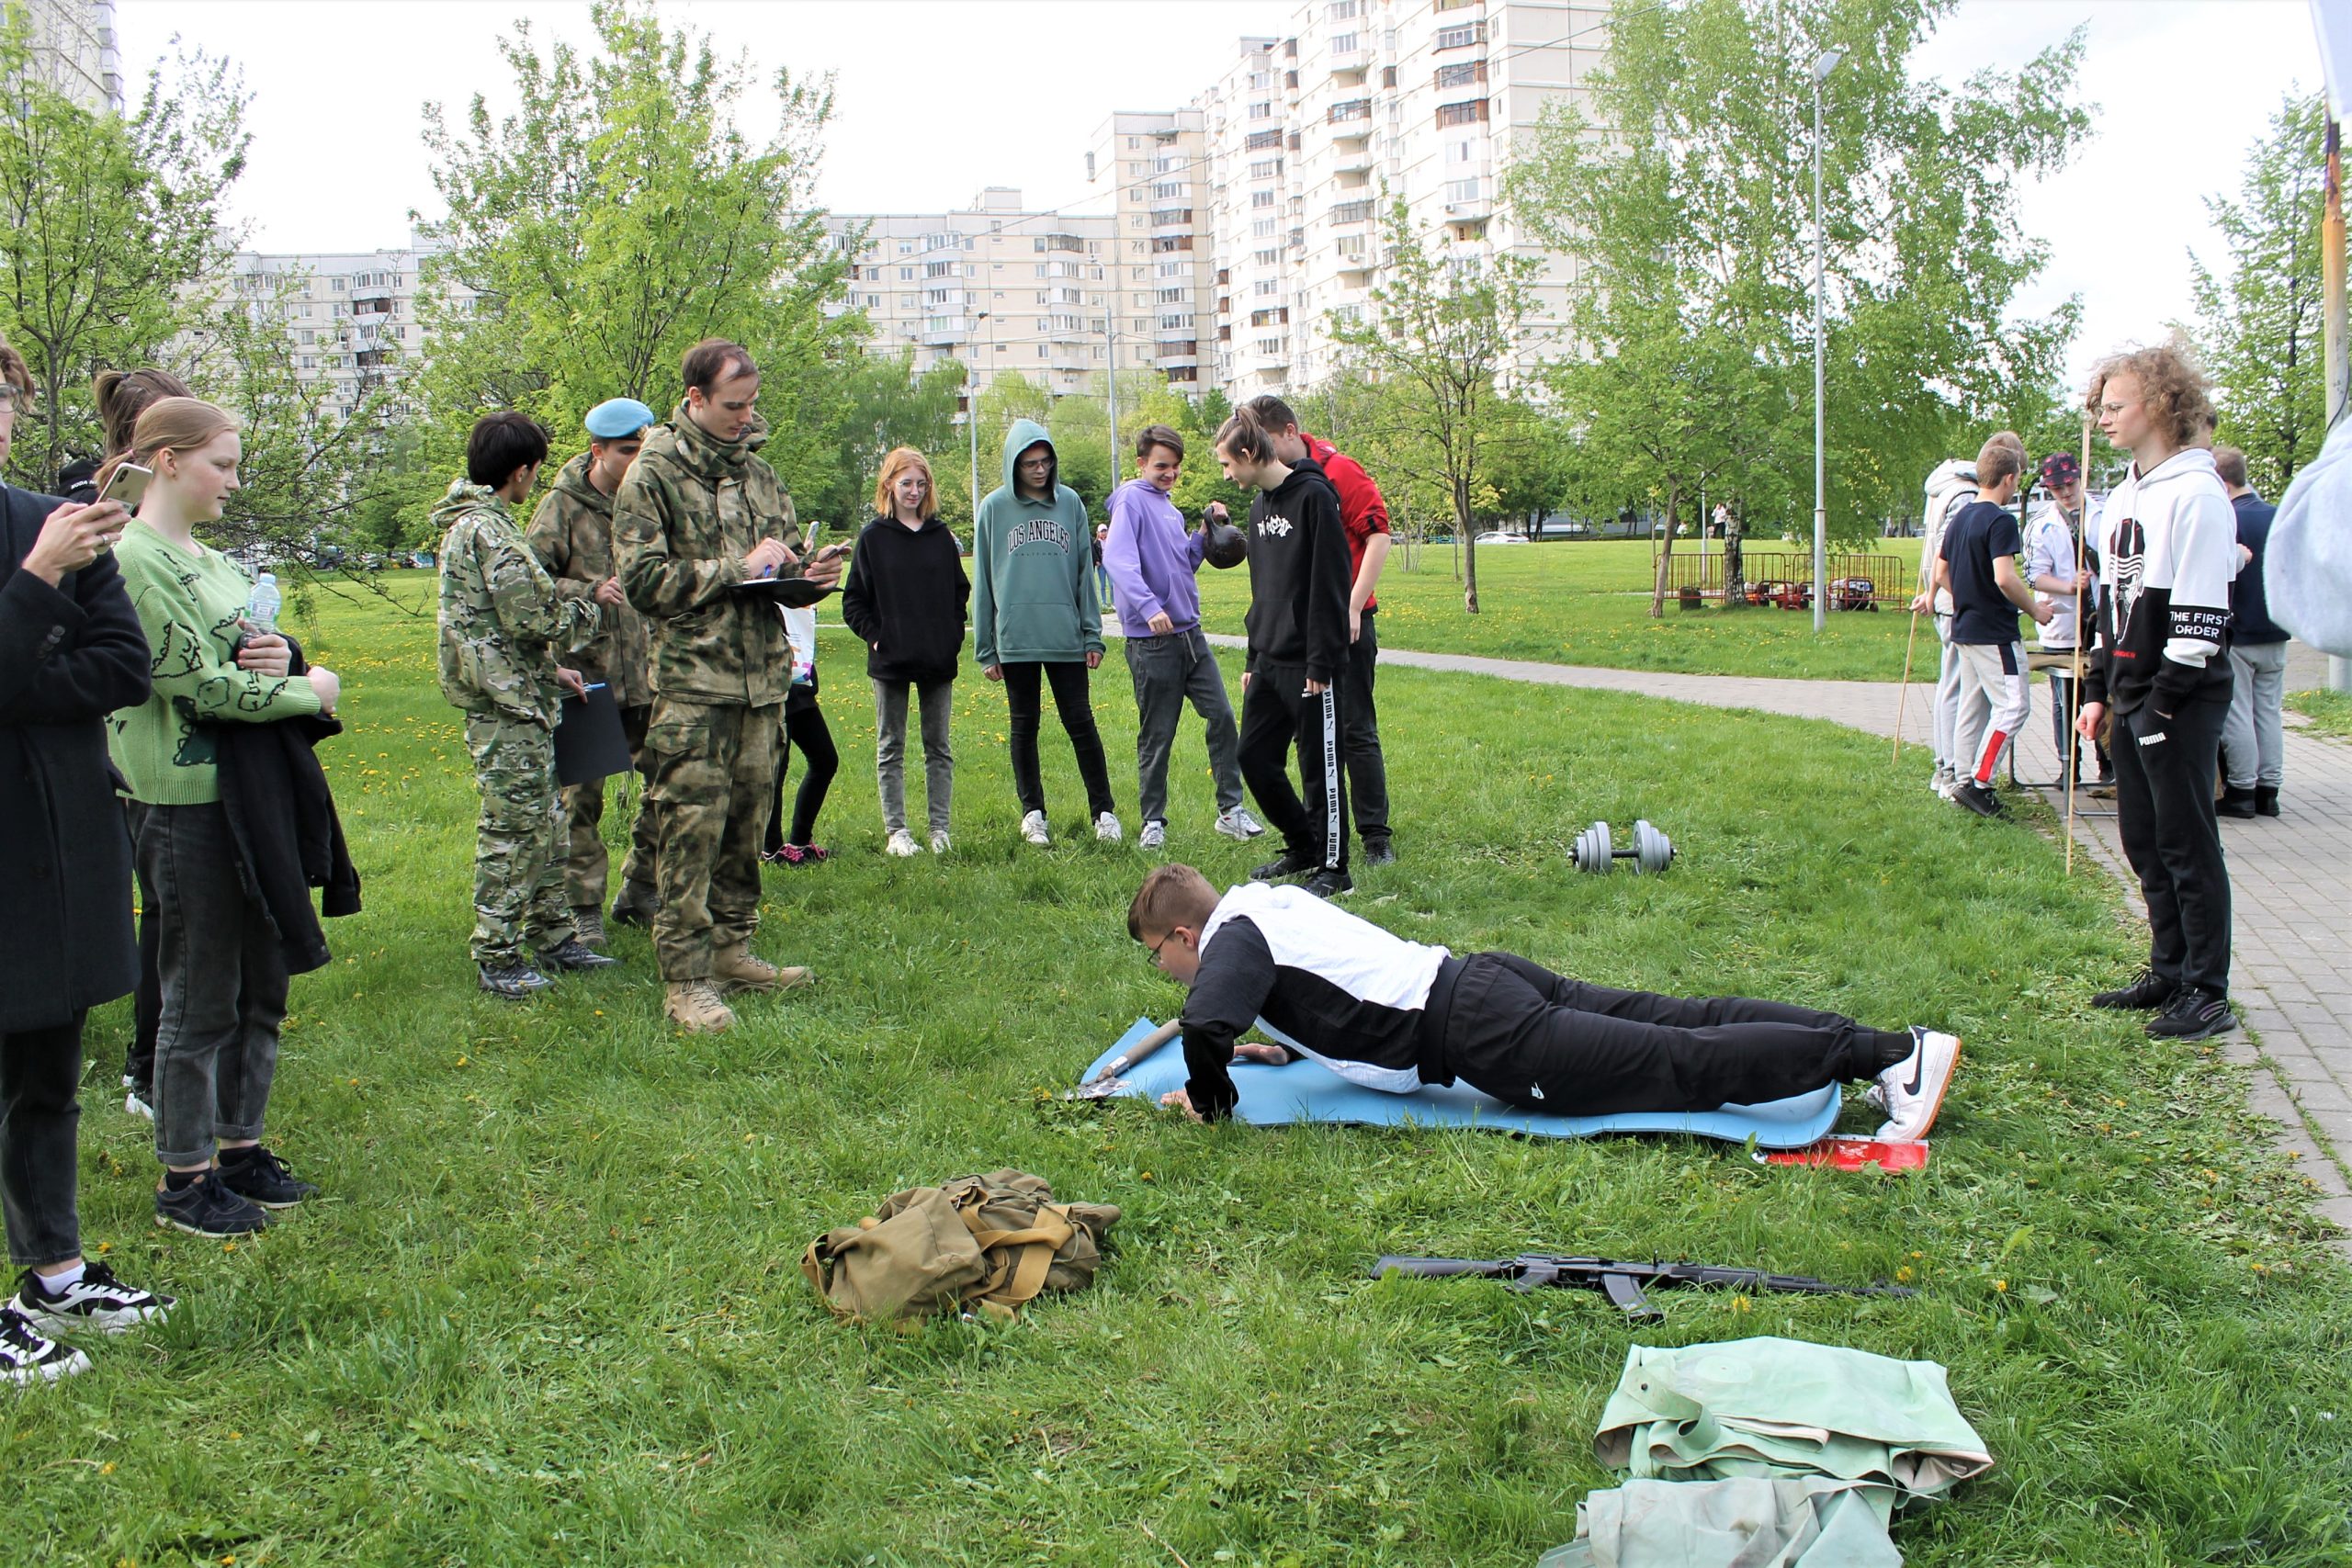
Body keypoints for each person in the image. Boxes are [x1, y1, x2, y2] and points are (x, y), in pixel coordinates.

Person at [1126, 864, 1962, 1142]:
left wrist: (1210, 1097)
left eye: (1158, 953)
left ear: (1182, 934)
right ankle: (1885, 1043)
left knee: (1677, 1064)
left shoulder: (1231, 942)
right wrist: (1269, 1047)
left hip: (1485, 1030)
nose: (1165, 970)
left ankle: (1888, 1058)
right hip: (1487, 977)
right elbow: (1322, 992)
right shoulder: (1262, 903)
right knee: (1680, 1017)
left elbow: (1206, 1020)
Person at [108, 398, 338, 1236]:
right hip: (184, 807)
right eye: (223, 465)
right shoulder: (137, 559)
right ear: (167, 460)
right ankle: (185, 1177)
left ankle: (240, 1148)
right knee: (199, 996)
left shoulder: (211, 559)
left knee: (260, 987)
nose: (234, 483)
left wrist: (282, 657)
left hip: (250, 796)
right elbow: (196, 687)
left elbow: (245, 648)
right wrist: (306, 691)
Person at [0, 342, 175, 1381]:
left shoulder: (48, 519)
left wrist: (24, 661)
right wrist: (36, 589)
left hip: (56, 833)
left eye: (4, 399)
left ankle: (55, 1272)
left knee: (48, 1069)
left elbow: (120, 667)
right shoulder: (48, 546)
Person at [614, 339, 839, 1033]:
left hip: (762, 684)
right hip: (692, 686)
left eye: (752, 404)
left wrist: (807, 573)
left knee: (746, 828)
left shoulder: (760, 474)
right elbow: (644, 583)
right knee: (690, 833)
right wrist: (735, 568)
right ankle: (685, 981)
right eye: (733, 405)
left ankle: (732, 949)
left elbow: (777, 559)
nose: (746, 417)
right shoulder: (651, 474)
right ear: (696, 400)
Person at [2076, 346, 2240, 1042]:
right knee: (2144, 841)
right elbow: (2110, 602)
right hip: (2132, 691)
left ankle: (2207, 989)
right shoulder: (2128, 494)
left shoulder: (2197, 494)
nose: (2104, 417)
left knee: (2186, 843)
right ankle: (2168, 968)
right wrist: (2097, 687)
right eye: (2101, 405)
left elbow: (2201, 618)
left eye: (2116, 404)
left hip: (2178, 697)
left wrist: (2161, 705)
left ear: (2160, 404)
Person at [438, 411, 616, 998]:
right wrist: (593, 606)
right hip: (504, 708)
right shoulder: (489, 531)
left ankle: (555, 936)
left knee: (548, 825)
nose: (535, 481)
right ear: (521, 470)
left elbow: (493, 626)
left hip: (522, 694)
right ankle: (498, 954)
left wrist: (549, 670)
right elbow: (531, 616)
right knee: (513, 832)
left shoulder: (478, 526)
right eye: (535, 470)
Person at [81, 368, 193, 1121]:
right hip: (120, 739)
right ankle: (148, 1064)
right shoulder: (87, 510)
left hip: (152, 734)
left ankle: (159, 1052)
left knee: (164, 905)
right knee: (156, 905)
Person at [526, 397, 661, 945]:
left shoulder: (650, 501)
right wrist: (585, 590)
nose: (636, 461)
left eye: (642, 451)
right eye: (627, 451)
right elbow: (526, 583)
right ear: (597, 450)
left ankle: (642, 888)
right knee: (580, 798)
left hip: (650, 675)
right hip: (587, 676)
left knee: (669, 786)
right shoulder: (562, 507)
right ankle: (582, 907)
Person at [1244, 395, 1395, 863]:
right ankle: (1313, 840)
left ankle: (1375, 836)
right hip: (1297, 637)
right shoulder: (1271, 497)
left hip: (1347, 621)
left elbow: (1379, 534)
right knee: (1308, 741)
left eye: (1263, 440)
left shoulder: (1337, 471)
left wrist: (1351, 606)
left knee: (1354, 730)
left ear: (1289, 431)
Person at [1215, 408, 1353, 899]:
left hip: (1310, 664)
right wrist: (1254, 659)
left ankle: (1334, 867)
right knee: (1253, 757)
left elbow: (1330, 584)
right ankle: (1303, 845)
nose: (1227, 476)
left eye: (1229, 465)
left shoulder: (1315, 496)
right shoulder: (1258, 510)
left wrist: (1321, 661)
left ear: (1250, 455)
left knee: (1319, 767)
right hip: (1269, 660)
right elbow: (1263, 590)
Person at [1103, 423, 1261, 852]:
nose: (1169, 473)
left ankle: (1230, 811)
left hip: (1191, 636)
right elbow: (1116, 559)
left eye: (1175, 467)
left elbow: (1183, 564)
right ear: (1141, 463)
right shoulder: (1132, 501)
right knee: (1158, 735)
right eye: (1160, 465)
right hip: (1152, 641)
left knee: (1223, 716)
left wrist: (1207, 531)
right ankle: (1153, 821)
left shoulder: (1169, 510)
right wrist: (1148, 607)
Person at [971, 419, 1121, 846]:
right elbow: (983, 580)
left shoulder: (1070, 504)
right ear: (1013, 465)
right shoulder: (994, 509)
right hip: (1015, 638)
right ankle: (1033, 814)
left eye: (1045, 461)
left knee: (1081, 722)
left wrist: (1092, 634)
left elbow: (1083, 576)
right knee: (1024, 726)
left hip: (1065, 637)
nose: (1039, 470)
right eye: (1029, 463)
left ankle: (1104, 812)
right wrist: (986, 648)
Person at [839, 446, 967, 856]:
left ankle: (940, 830)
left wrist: (951, 635)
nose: (913, 491)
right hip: (890, 661)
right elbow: (853, 600)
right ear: (889, 485)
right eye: (906, 482)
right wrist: (877, 636)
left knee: (938, 747)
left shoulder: (940, 537)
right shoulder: (874, 538)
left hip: (936, 658)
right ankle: (897, 831)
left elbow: (958, 592)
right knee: (890, 746)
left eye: (920, 483)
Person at [1936, 437, 2053, 818]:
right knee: (2014, 706)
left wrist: (1970, 595)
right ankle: (1981, 783)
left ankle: (1962, 777)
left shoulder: (1960, 518)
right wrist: (2034, 609)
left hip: (1965, 625)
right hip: (1994, 631)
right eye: (2018, 479)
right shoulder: (2001, 520)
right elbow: (2005, 578)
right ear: (2008, 478)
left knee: (1973, 706)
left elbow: (1940, 573)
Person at [2024, 452, 2109, 790]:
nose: (2065, 492)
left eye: (2069, 483)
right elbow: (2035, 575)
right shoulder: (2042, 524)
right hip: (2063, 626)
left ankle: (2109, 763)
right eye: (2057, 487)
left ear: (2080, 478)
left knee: (2105, 694)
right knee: (2065, 700)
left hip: (2103, 622)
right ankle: (2068, 766)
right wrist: (2069, 586)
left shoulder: (2105, 514)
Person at [2213, 445, 2286, 819]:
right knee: (2269, 712)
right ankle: (2268, 791)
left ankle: (2241, 789)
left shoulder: (2228, 520)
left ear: (2223, 484)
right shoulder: (2278, 517)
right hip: (2275, 627)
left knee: (2237, 712)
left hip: (2239, 630)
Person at [761, 598, 839, 865]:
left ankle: (800, 841)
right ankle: (770, 849)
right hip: (770, 684)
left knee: (825, 759)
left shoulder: (796, 563)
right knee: (776, 769)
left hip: (799, 682)